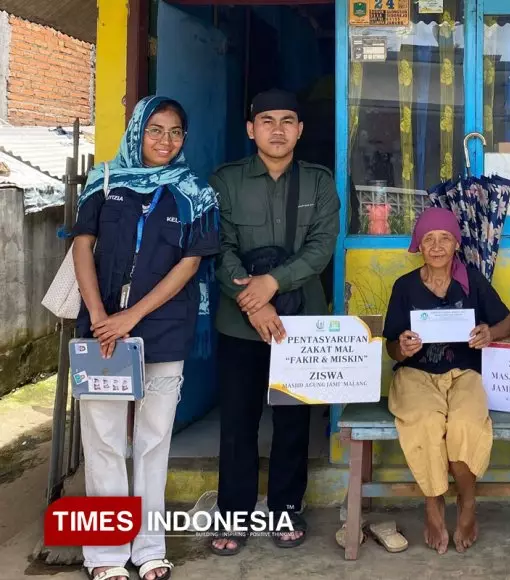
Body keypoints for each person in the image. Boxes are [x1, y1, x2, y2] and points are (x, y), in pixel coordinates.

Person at [72, 96, 220, 580]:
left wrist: (130, 316)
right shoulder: (105, 179)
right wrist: (99, 314)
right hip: (102, 330)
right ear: (138, 131)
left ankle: (149, 547)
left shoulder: (194, 192)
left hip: (162, 327)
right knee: (103, 440)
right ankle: (105, 555)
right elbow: (82, 244)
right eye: (155, 130)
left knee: (154, 441)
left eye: (176, 132)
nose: (166, 141)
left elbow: (190, 263)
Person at [209, 89, 339, 555]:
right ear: (251, 129)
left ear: (300, 130)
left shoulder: (319, 182)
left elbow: (322, 247)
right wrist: (254, 299)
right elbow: (217, 246)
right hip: (239, 321)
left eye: (288, 120)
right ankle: (233, 514)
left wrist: (273, 284)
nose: (278, 129)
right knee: (239, 423)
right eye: (267, 120)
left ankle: (286, 508)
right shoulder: (225, 181)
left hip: (301, 322)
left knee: (292, 421)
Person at [383, 207, 510, 554]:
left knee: (465, 423)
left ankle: (468, 503)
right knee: (426, 422)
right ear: (418, 245)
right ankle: (433, 502)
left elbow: (509, 323)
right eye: (429, 239)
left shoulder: (472, 280)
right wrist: (403, 347)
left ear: (456, 243)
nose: (438, 246)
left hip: (464, 373)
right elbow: (391, 349)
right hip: (416, 375)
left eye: (445, 238)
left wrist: (490, 332)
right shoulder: (405, 287)